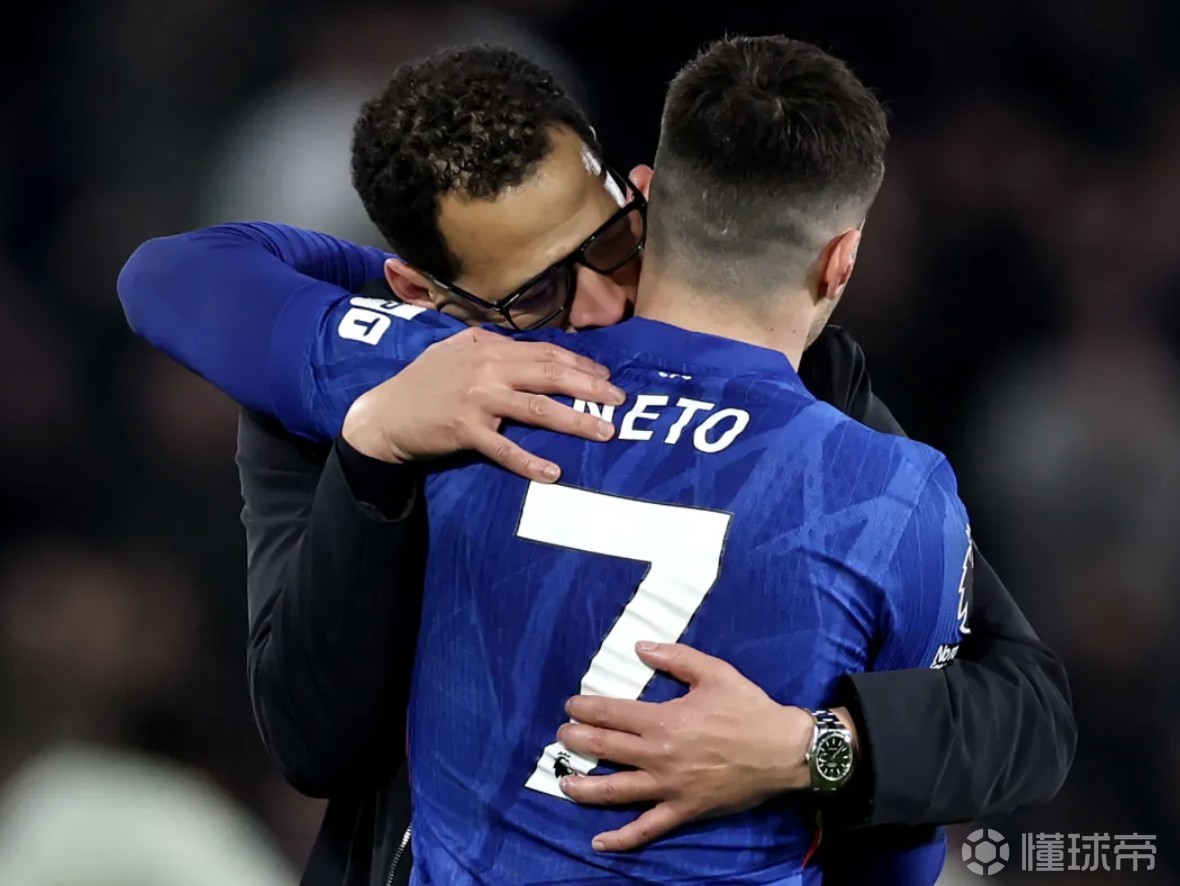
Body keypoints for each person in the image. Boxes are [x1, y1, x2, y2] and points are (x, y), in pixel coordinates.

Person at [118, 43, 1074, 885]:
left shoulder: (812, 381)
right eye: (538, 297)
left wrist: (808, 748)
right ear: (425, 296)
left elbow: (1022, 709)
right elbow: (317, 741)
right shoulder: (376, 399)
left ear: (639, 192)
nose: (603, 306)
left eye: (614, 243)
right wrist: (373, 446)